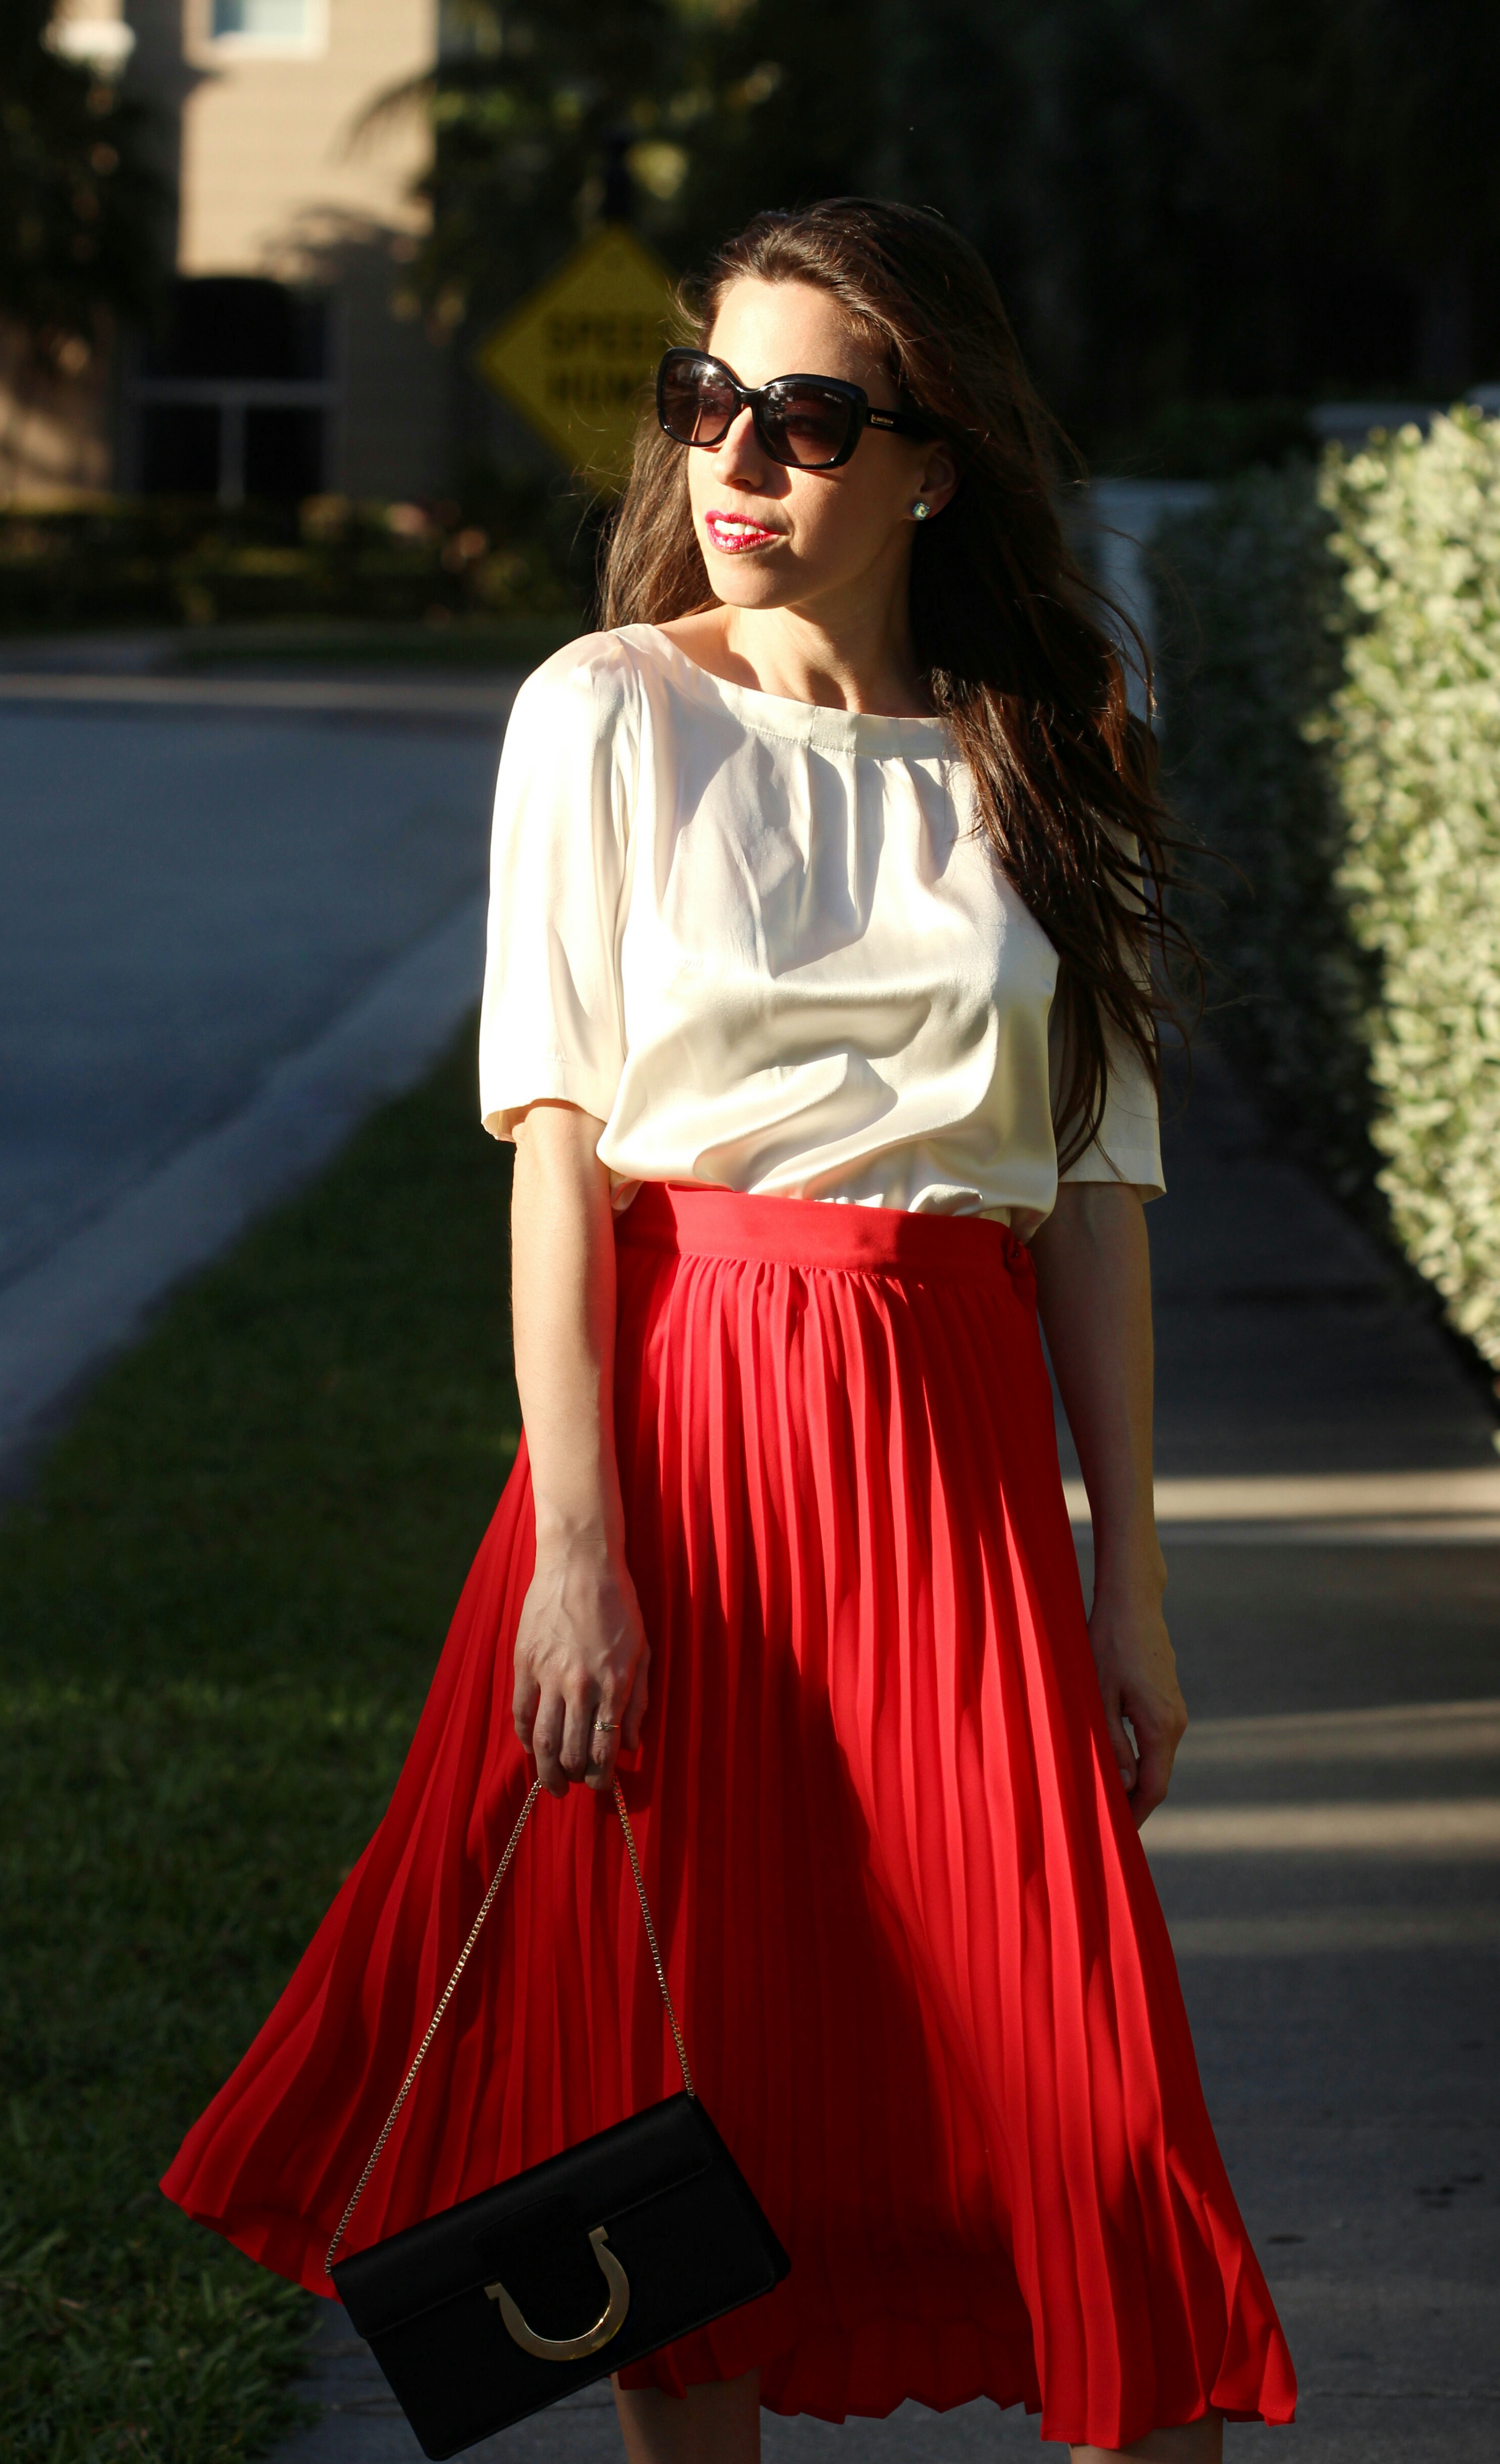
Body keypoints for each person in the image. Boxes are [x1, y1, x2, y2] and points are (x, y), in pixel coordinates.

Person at [163, 199, 1297, 2461]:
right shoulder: (604, 714)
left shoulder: (1058, 740)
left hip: (956, 1454)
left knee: (1083, 2099)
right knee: (689, 2106)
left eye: (806, 416)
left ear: (935, 460)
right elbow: (556, 1159)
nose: (737, 459)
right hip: (684, 1450)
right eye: (707, 402)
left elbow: (1091, 1191)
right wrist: (575, 1549)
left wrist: (1132, 1583)